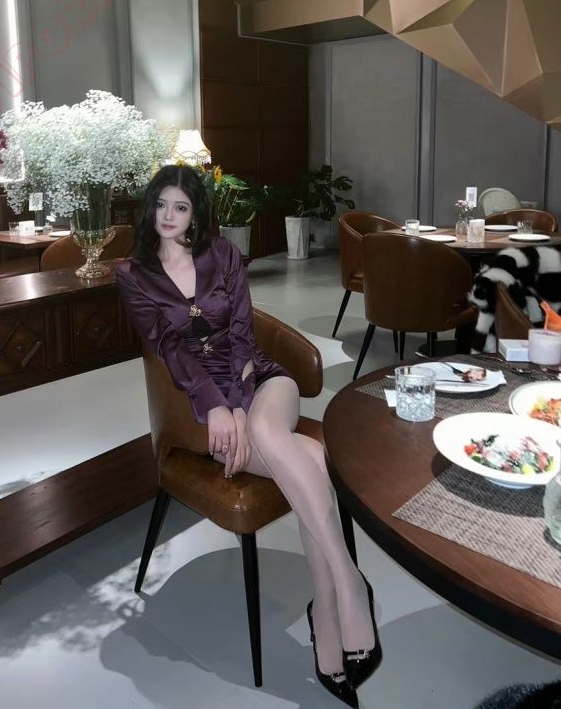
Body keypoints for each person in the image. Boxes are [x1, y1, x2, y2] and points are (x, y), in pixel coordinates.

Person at [116, 165, 381, 706]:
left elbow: (242, 335)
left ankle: (347, 587)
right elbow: (169, 349)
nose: (168, 216)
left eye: (181, 206)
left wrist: (238, 406)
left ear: (197, 212)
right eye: (161, 204)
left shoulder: (224, 255)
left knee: (265, 426)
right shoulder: (134, 274)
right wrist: (217, 407)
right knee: (313, 459)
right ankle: (332, 606)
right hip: (199, 404)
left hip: (260, 380)